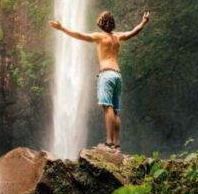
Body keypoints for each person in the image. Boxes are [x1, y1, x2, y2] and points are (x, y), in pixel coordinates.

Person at [49, 10, 150, 152]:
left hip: (107, 74)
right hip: (117, 75)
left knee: (107, 107)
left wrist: (62, 28)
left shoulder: (99, 37)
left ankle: (109, 143)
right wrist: (144, 22)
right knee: (115, 110)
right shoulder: (117, 37)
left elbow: (79, 35)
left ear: (102, 22)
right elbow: (133, 32)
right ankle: (117, 144)